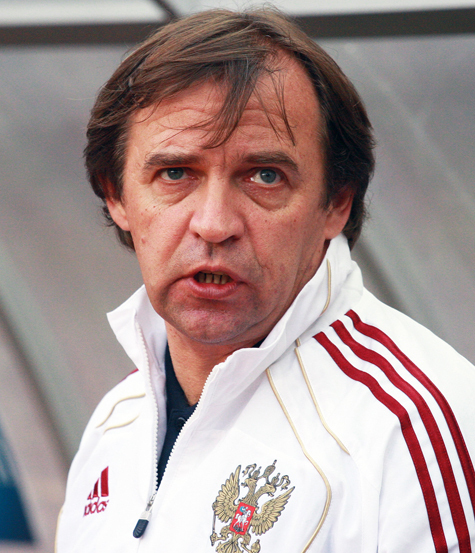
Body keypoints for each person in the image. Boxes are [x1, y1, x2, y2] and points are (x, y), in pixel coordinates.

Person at [56, 8, 475, 553]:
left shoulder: (414, 425)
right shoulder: (114, 425)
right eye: (175, 173)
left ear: (336, 203)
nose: (214, 224)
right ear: (116, 196)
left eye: (265, 176)